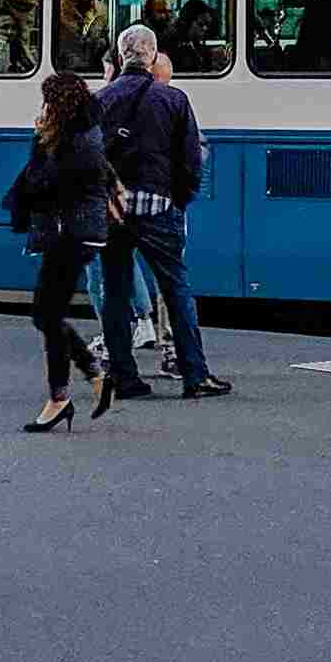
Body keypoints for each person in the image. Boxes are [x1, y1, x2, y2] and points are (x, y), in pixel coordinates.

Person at [96, 26, 229, 401]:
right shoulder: (173, 99)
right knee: (176, 289)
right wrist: (179, 200)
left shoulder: (101, 100)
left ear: (122, 56)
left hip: (115, 211)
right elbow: (190, 161)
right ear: (153, 57)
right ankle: (195, 376)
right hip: (159, 208)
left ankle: (124, 377)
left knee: (116, 292)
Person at [4, 72, 115, 429]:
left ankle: (63, 395)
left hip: (70, 234)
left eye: (48, 102)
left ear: (59, 106)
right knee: (47, 314)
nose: (43, 108)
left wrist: (37, 141)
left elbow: (42, 184)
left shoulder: (73, 145)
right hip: (75, 233)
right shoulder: (83, 133)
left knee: (47, 315)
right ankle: (89, 378)